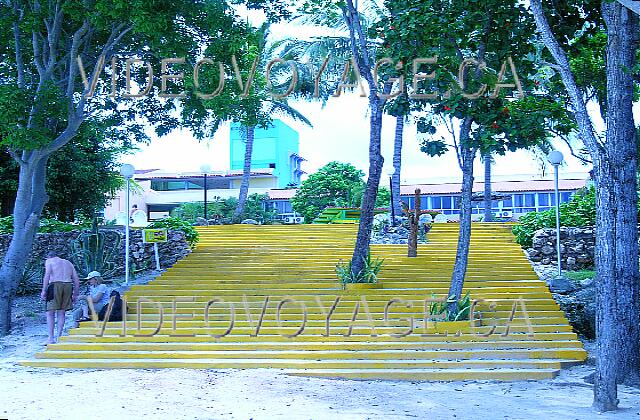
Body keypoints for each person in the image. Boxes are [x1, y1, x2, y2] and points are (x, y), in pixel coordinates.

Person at [40, 251, 80, 344]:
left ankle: (50, 338)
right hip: (68, 285)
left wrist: (44, 290)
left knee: (50, 312)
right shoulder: (68, 263)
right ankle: (59, 337)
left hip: (55, 285)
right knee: (62, 312)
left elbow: (47, 275)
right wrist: (75, 294)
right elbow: (76, 279)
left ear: (48, 257)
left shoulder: (49, 261)